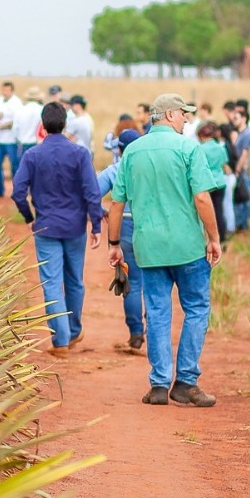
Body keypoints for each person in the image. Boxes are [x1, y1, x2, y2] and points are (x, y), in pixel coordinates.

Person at [106, 93, 225, 408]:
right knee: (196, 308)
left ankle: (159, 384)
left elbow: (117, 202)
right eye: (184, 114)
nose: (187, 120)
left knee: (157, 312)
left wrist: (114, 244)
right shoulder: (188, 148)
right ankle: (185, 381)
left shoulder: (131, 151)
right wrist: (214, 237)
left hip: (149, 248)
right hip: (187, 247)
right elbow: (201, 198)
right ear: (170, 115)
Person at [11, 101, 102, 357]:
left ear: (42, 125)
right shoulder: (80, 154)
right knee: (75, 280)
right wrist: (95, 223)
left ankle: (60, 340)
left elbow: (18, 193)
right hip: (75, 227)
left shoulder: (32, 155)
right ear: (64, 124)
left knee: (51, 283)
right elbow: (92, 192)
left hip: (46, 227)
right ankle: (73, 331)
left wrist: (29, 216)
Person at [97, 127, 143, 353]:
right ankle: (153, 331)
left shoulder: (114, 170)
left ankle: (135, 333)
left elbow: (91, 193)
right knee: (154, 284)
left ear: (120, 149)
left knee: (130, 283)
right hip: (150, 228)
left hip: (123, 226)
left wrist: (102, 211)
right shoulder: (150, 170)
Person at [196, 122, 232, 242]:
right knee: (219, 211)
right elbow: (224, 164)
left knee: (208, 212)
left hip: (208, 183)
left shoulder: (200, 149)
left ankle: (210, 238)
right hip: (220, 182)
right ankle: (223, 237)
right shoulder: (220, 148)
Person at [0, 81, 22, 196]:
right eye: (4, 90)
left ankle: (17, 191)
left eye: (7, 90)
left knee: (15, 166)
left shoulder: (16, 103)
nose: (5, 92)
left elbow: (18, 121)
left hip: (11, 140)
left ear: (12, 91)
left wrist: (2, 125)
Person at [14, 87, 44, 155]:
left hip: (23, 144)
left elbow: (15, 129)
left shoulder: (20, 110)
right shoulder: (42, 109)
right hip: (38, 144)